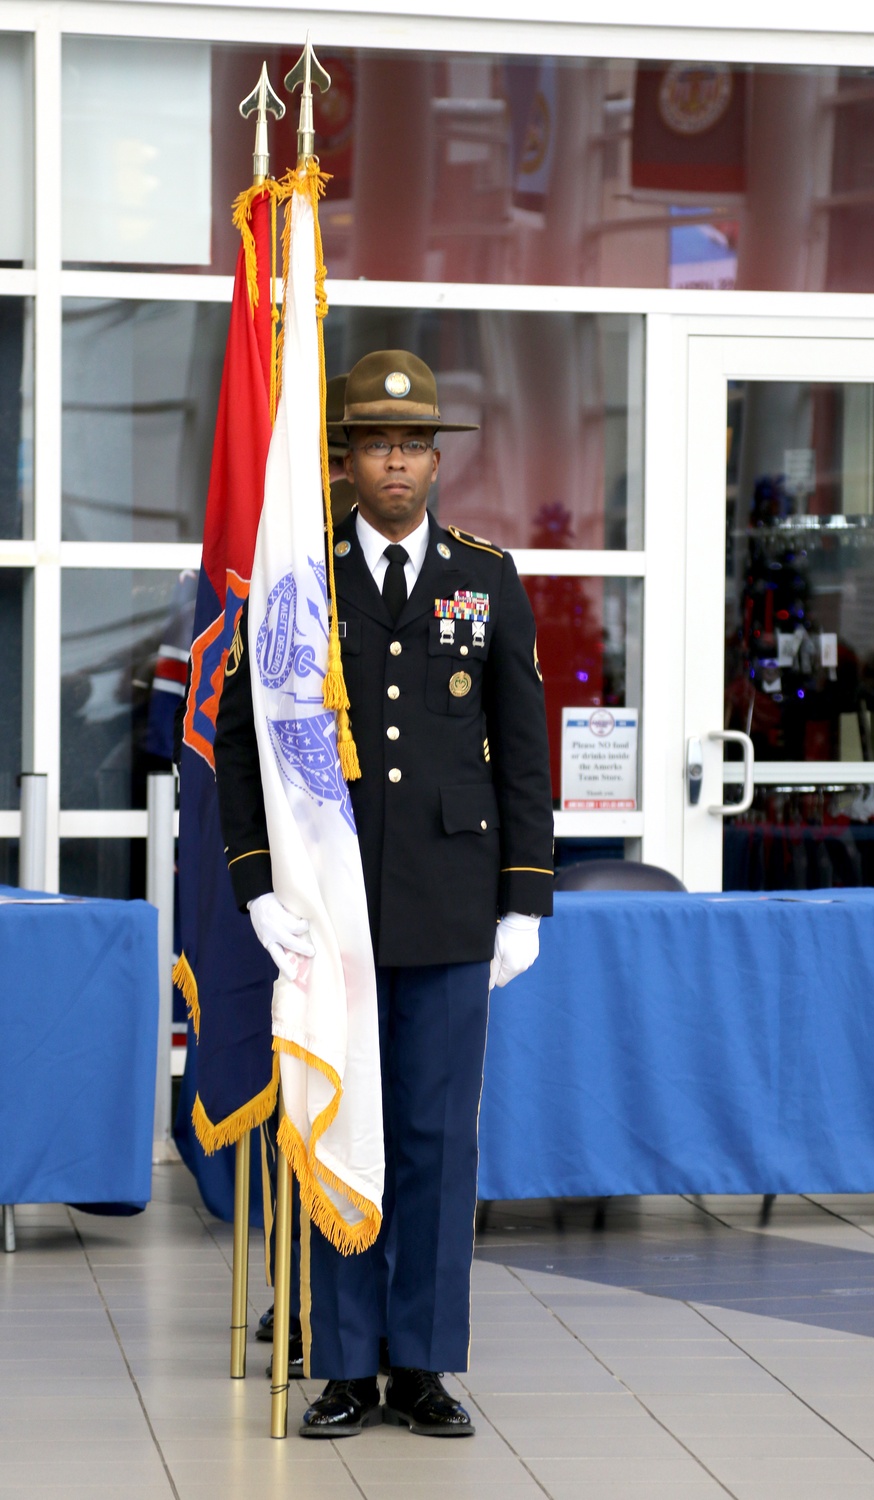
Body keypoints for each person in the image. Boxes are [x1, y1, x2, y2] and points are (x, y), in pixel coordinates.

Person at [215, 349, 553, 1438]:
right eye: (375, 443)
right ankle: (345, 1364)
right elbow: (241, 743)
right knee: (336, 1124)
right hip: (334, 907)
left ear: (434, 459)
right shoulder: (300, 577)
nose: (396, 461)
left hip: (452, 903)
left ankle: (423, 1365)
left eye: (413, 444)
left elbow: (521, 752)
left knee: (435, 1139)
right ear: (345, 458)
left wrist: (524, 900)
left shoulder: (484, 576)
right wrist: (260, 885)